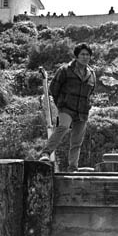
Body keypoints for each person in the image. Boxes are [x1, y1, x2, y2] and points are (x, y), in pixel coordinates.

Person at [40, 43, 97, 172]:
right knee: (63, 127)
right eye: (82, 54)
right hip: (66, 107)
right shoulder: (65, 70)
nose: (85, 57)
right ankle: (46, 153)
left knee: (77, 140)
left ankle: (72, 168)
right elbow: (54, 88)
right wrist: (60, 104)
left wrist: (88, 104)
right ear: (76, 56)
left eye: (87, 55)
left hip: (82, 111)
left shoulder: (92, 74)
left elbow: (91, 92)